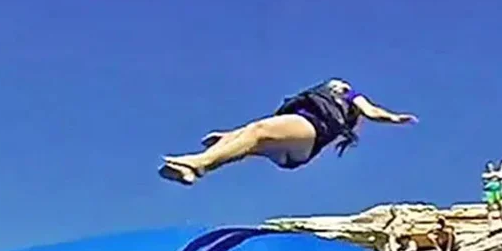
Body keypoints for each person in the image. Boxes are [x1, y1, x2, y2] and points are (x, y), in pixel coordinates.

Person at [159, 79, 417, 185]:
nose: (337, 83)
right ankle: (194, 167)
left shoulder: (351, 97)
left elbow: (371, 112)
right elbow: (269, 128)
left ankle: (199, 163)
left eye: (341, 84)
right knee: (251, 137)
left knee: (257, 131)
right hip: (292, 149)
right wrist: (231, 135)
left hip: (310, 133)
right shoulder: (310, 101)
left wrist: (393, 118)